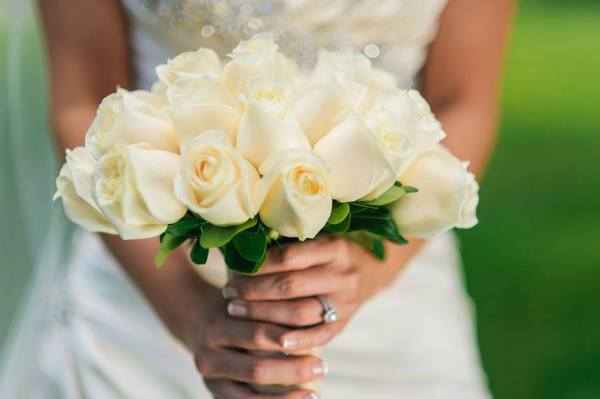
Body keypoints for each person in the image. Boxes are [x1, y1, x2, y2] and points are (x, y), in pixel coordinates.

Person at [16, 0, 513, 397]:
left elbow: (463, 102)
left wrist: (365, 271)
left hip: (395, 293)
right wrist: (192, 316)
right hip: (149, 282)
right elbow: (82, 103)